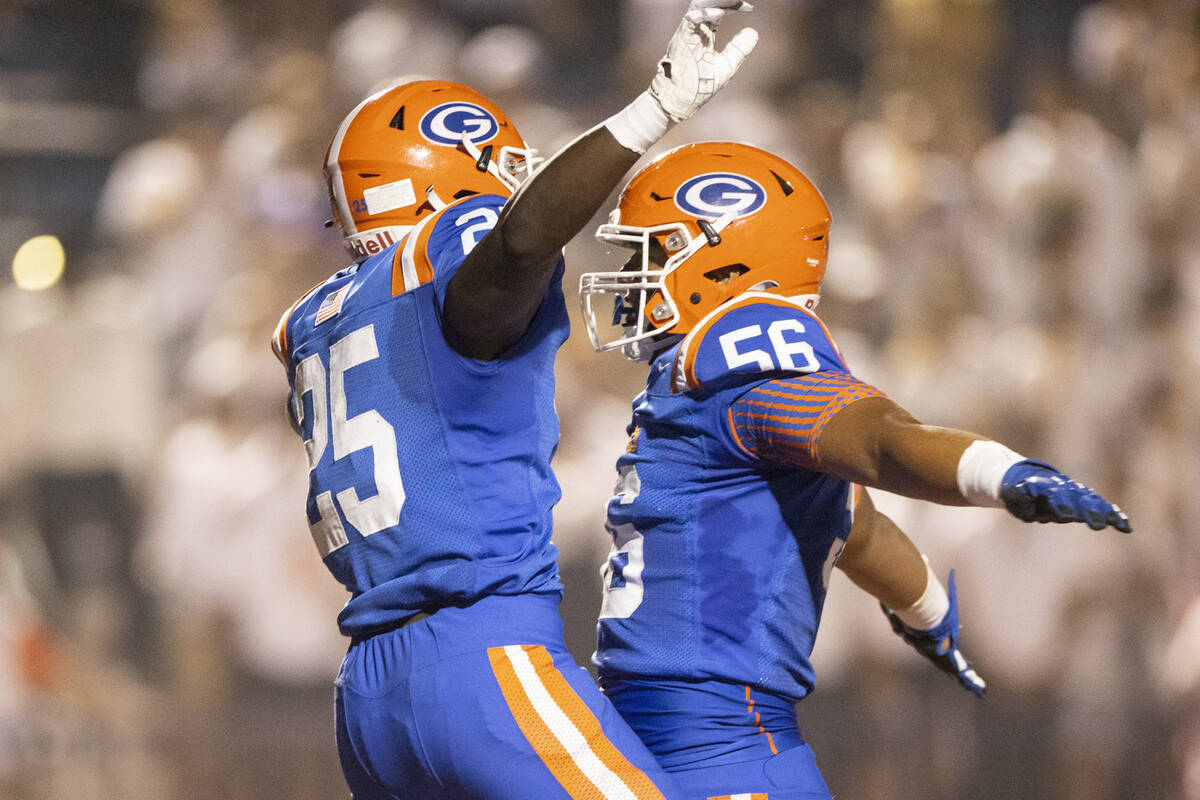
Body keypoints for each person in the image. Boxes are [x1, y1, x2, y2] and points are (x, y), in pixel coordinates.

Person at [268, 5, 759, 798]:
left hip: (368, 696)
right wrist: (649, 116)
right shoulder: (451, 247)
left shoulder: (312, 319)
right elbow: (519, 241)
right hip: (478, 653)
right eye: (501, 171)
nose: (518, 186)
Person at [577, 140, 1131, 799]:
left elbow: (876, 442)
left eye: (654, 254)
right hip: (665, 741)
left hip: (715, 750)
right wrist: (928, 613)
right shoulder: (699, 389)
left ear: (727, 268)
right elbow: (854, 527)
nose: (632, 277)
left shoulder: (748, 357)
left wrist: (993, 471)